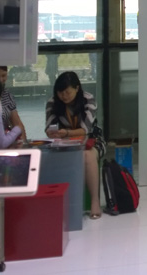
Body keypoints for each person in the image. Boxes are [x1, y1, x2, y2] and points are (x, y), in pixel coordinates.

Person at [45, 71, 104, 219]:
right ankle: (59, 203)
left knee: (87, 155)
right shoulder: (53, 102)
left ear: (77, 88)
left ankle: (94, 202)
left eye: (67, 92)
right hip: (64, 143)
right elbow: (49, 128)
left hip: (91, 141)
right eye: (60, 93)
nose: (64, 96)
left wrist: (66, 133)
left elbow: (85, 130)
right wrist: (52, 133)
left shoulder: (88, 99)